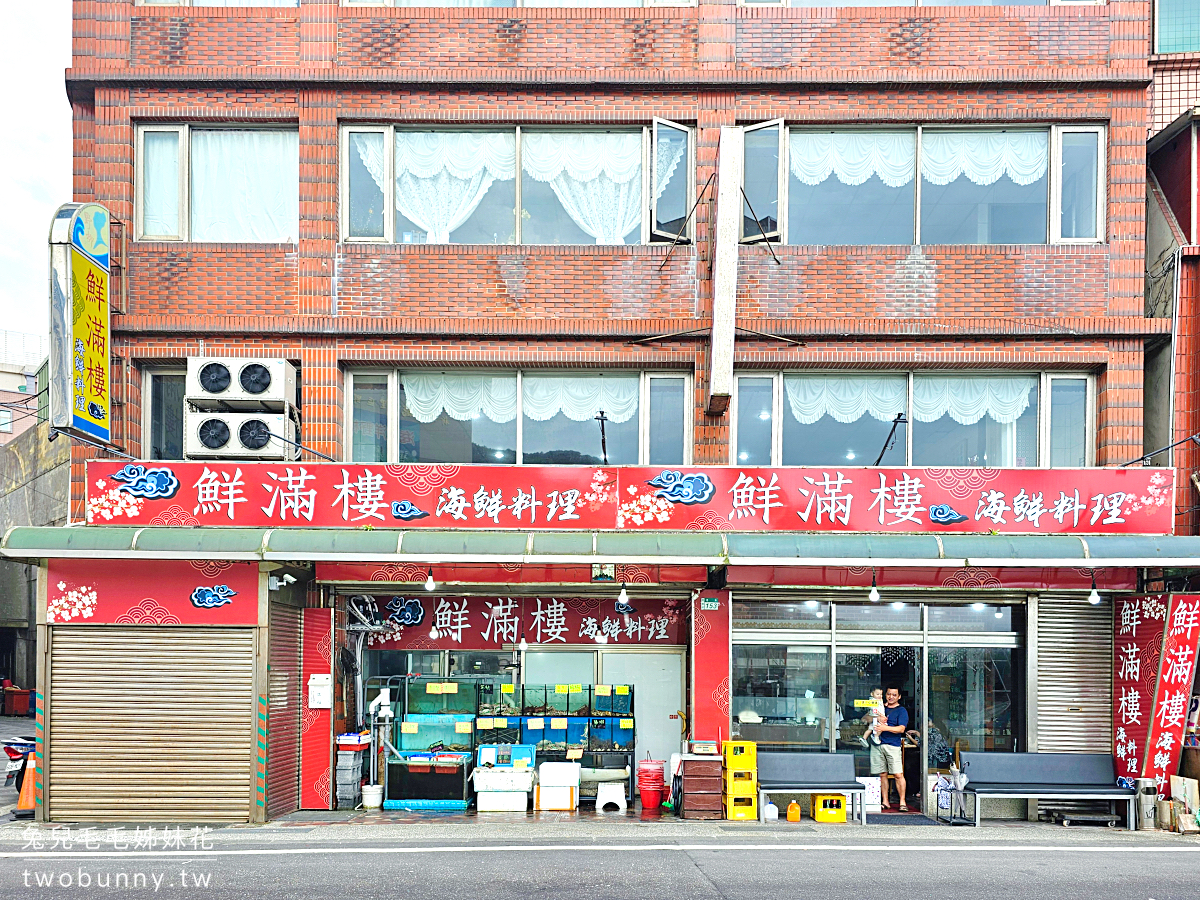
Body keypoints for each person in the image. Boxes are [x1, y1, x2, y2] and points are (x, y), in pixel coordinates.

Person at [871, 686, 909, 811]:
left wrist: (885, 728)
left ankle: (902, 802)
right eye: (888, 694)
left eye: (894, 694)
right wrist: (875, 718)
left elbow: (901, 729)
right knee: (882, 774)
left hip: (893, 745)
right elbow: (865, 718)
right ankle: (885, 801)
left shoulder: (901, 710)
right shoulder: (879, 706)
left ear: (899, 697)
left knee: (898, 774)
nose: (890, 697)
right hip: (878, 744)